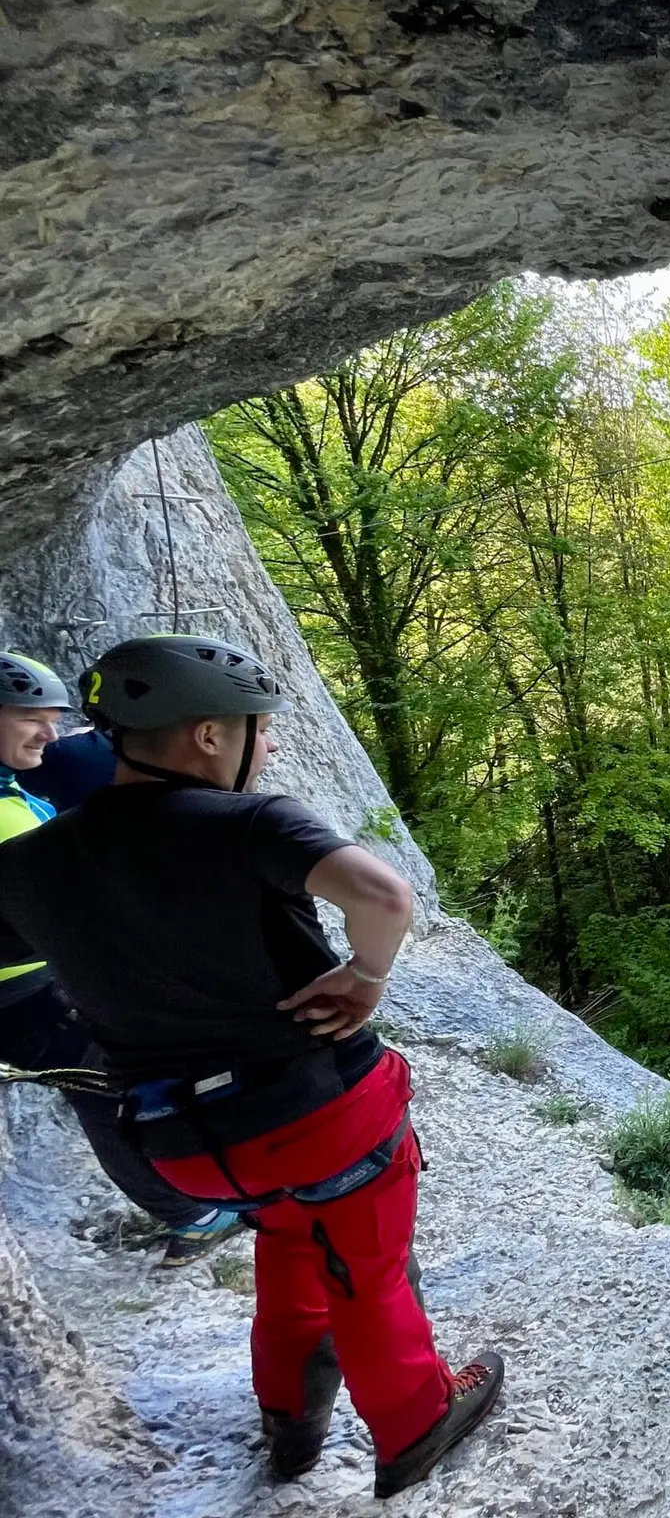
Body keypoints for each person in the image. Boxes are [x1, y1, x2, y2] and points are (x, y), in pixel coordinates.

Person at [0, 635, 503, 1496]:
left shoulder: (32, 860)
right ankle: (416, 1421)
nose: (267, 745)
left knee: (287, 1232)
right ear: (208, 735)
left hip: (184, 1143)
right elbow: (384, 895)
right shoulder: (252, 823)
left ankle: (292, 1420)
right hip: (317, 1113)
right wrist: (366, 977)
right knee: (366, 1266)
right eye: (258, 729)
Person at [0, 650, 242, 1266]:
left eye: (55, 719)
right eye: (32, 718)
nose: (49, 734)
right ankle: (193, 1214)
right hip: (26, 994)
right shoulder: (6, 816)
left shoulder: (13, 789)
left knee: (112, 1089)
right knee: (110, 1095)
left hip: (33, 983)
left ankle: (195, 1202)